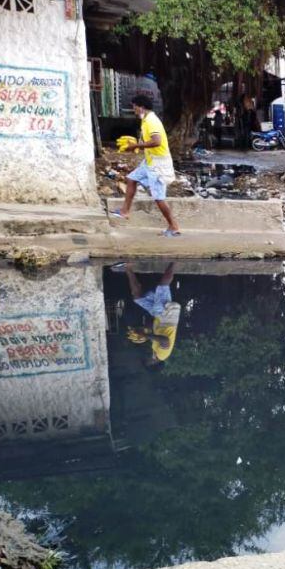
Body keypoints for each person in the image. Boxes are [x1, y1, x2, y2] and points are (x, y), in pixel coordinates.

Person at [111, 96, 182, 237]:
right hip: (150, 161)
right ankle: (125, 211)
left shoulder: (151, 121)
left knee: (159, 197)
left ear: (141, 106)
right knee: (131, 179)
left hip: (158, 164)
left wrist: (135, 145)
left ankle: (174, 227)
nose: (133, 109)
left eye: (134, 106)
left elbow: (156, 141)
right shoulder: (146, 120)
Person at [121, 262, 181, 370]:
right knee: (162, 286)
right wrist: (145, 335)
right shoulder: (162, 355)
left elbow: (156, 332)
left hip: (158, 316)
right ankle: (175, 261)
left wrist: (144, 329)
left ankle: (128, 267)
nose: (146, 359)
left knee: (137, 297)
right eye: (147, 362)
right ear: (153, 363)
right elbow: (165, 340)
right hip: (166, 317)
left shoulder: (155, 350)